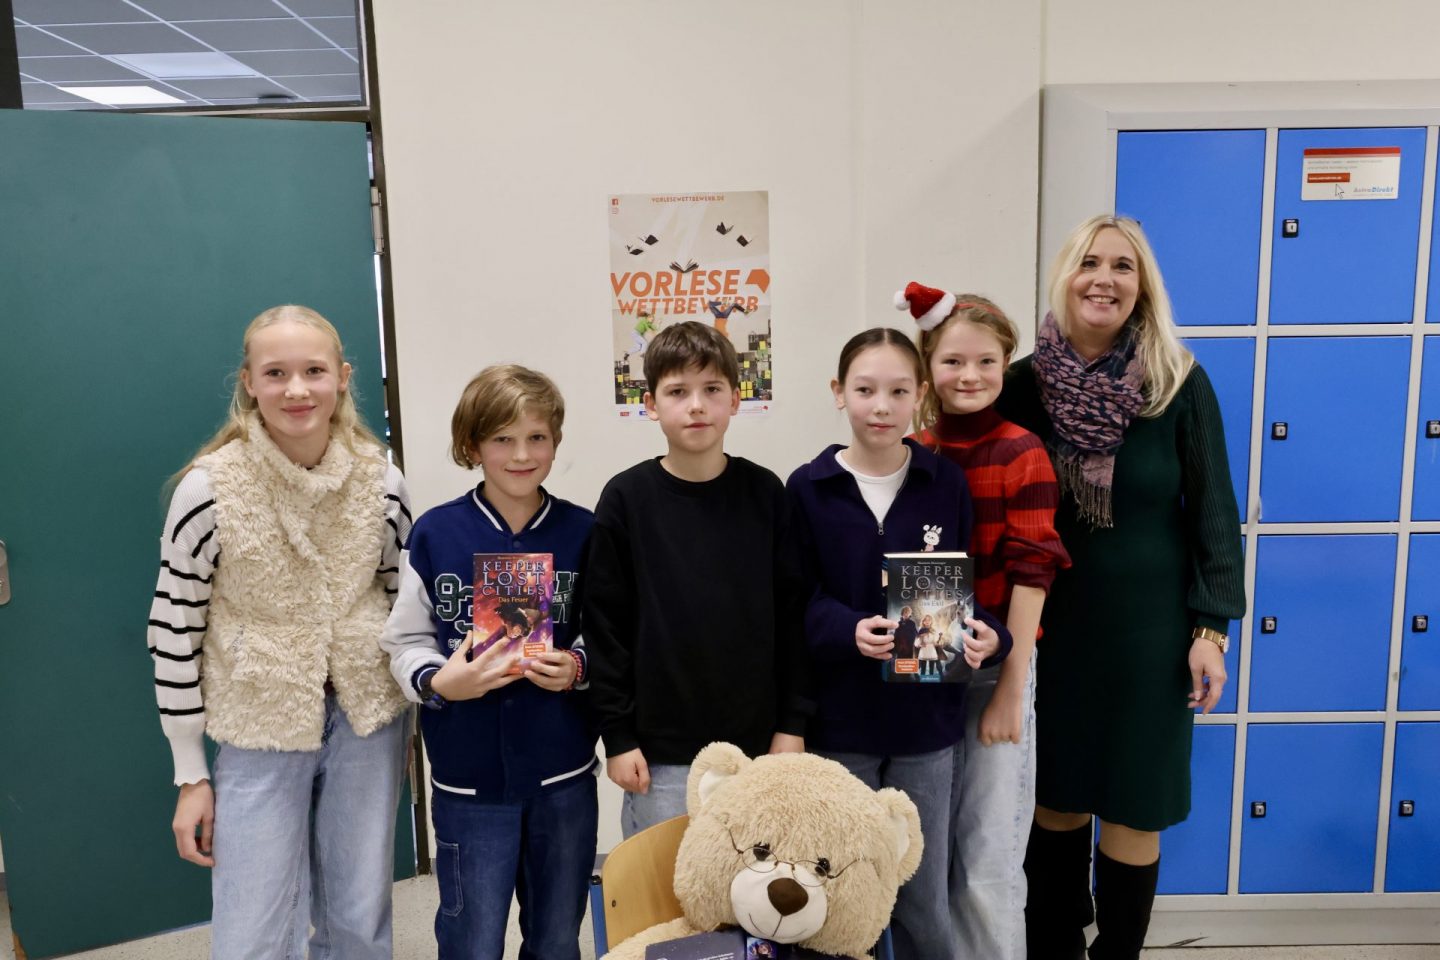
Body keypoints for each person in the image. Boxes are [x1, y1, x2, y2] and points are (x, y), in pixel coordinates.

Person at [995, 215, 1246, 960]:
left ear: (1143, 287)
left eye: (1122, 266)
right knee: (1056, 801)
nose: (1104, 278)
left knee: (1136, 807)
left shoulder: (1177, 382)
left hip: (1149, 636)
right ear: (1066, 276)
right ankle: (1054, 948)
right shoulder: (1020, 386)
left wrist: (1211, 630)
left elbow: (1214, 514)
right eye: (1090, 262)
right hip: (1050, 630)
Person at [148, 304, 412, 959]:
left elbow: (404, 602)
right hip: (259, 719)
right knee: (254, 929)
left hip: (367, 717)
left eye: (314, 371)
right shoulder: (209, 490)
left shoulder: (382, 482)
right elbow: (174, 628)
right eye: (276, 373)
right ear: (249, 382)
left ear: (342, 377)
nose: (297, 389)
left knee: (358, 916)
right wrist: (190, 774)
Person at [785, 327, 1013, 960]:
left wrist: (990, 638)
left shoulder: (946, 483)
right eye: (865, 390)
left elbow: (962, 595)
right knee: (839, 896)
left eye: (898, 392)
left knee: (922, 899)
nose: (881, 407)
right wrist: (847, 629)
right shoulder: (807, 487)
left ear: (921, 397)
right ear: (839, 393)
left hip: (926, 728)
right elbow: (794, 600)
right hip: (840, 726)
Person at [380, 364, 597, 960]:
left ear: (555, 441)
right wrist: (437, 681)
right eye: (503, 439)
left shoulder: (585, 531)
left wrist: (577, 665)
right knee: (471, 940)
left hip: (562, 774)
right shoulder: (436, 533)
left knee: (557, 937)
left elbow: (612, 634)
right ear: (472, 445)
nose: (521, 455)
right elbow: (404, 639)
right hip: (467, 777)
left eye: (537, 437)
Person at [585, 320, 810, 839]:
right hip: (661, 755)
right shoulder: (625, 499)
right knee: (668, 886)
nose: (696, 406)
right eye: (677, 392)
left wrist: (792, 724)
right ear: (650, 404)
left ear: (735, 399)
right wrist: (617, 737)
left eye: (711, 389)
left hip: (760, 746)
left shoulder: (766, 494)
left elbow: (794, 615)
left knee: (756, 881)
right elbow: (605, 629)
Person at [903, 285, 1071, 960]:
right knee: (924, 850)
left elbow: (1034, 573)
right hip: (929, 663)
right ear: (927, 367)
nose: (968, 376)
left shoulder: (1020, 451)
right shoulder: (914, 448)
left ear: (1006, 366)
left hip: (997, 670)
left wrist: (1009, 687)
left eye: (985, 362)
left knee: (987, 852)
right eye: (951, 362)